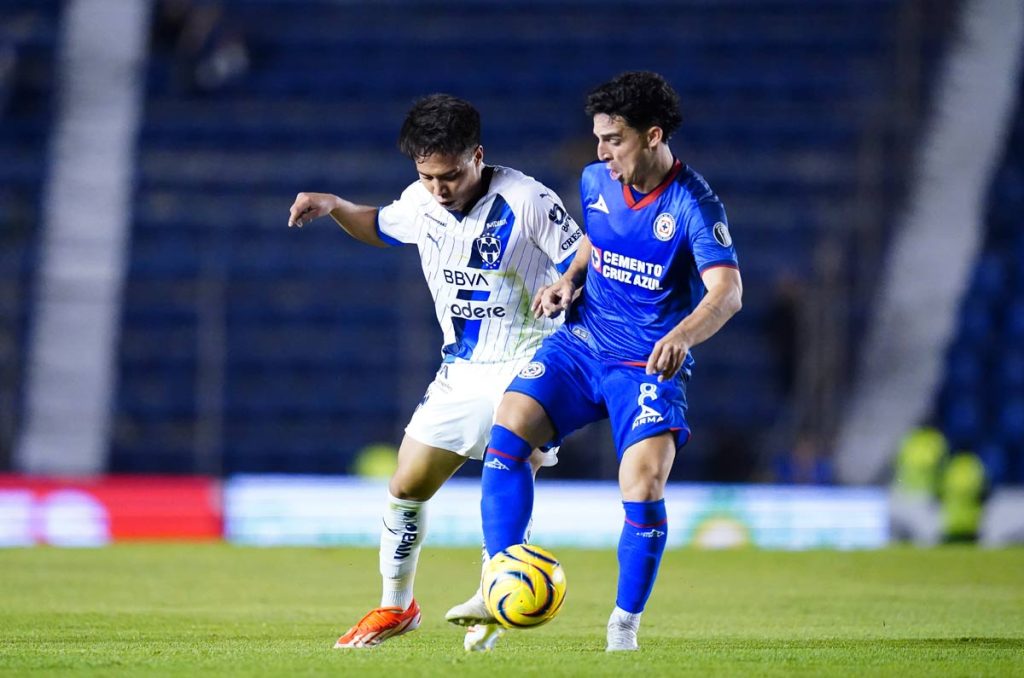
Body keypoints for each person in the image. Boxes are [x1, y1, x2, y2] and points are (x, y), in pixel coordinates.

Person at [287, 94, 583, 650]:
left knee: (508, 459)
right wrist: (333, 205)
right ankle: (396, 608)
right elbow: (379, 224)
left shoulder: (528, 199)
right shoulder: (419, 202)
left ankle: (497, 597)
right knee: (405, 486)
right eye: (427, 176)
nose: (439, 187)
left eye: (449, 175)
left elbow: (585, 246)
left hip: (531, 358)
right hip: (462, 370)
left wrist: (567, 282)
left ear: (477, 154)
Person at [477, 72, 743, 651]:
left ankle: (623, 627)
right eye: (598, 138)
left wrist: (683, 336)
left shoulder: (693, 203)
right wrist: (565, 281)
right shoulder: (596, 179)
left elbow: (727, 291)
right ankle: (501, 583)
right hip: (582, 344)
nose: (601, 151)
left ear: (651, 136)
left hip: (645, 364)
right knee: (508, 428)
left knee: (643, 487)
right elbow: (595, 243)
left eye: (614, 139)